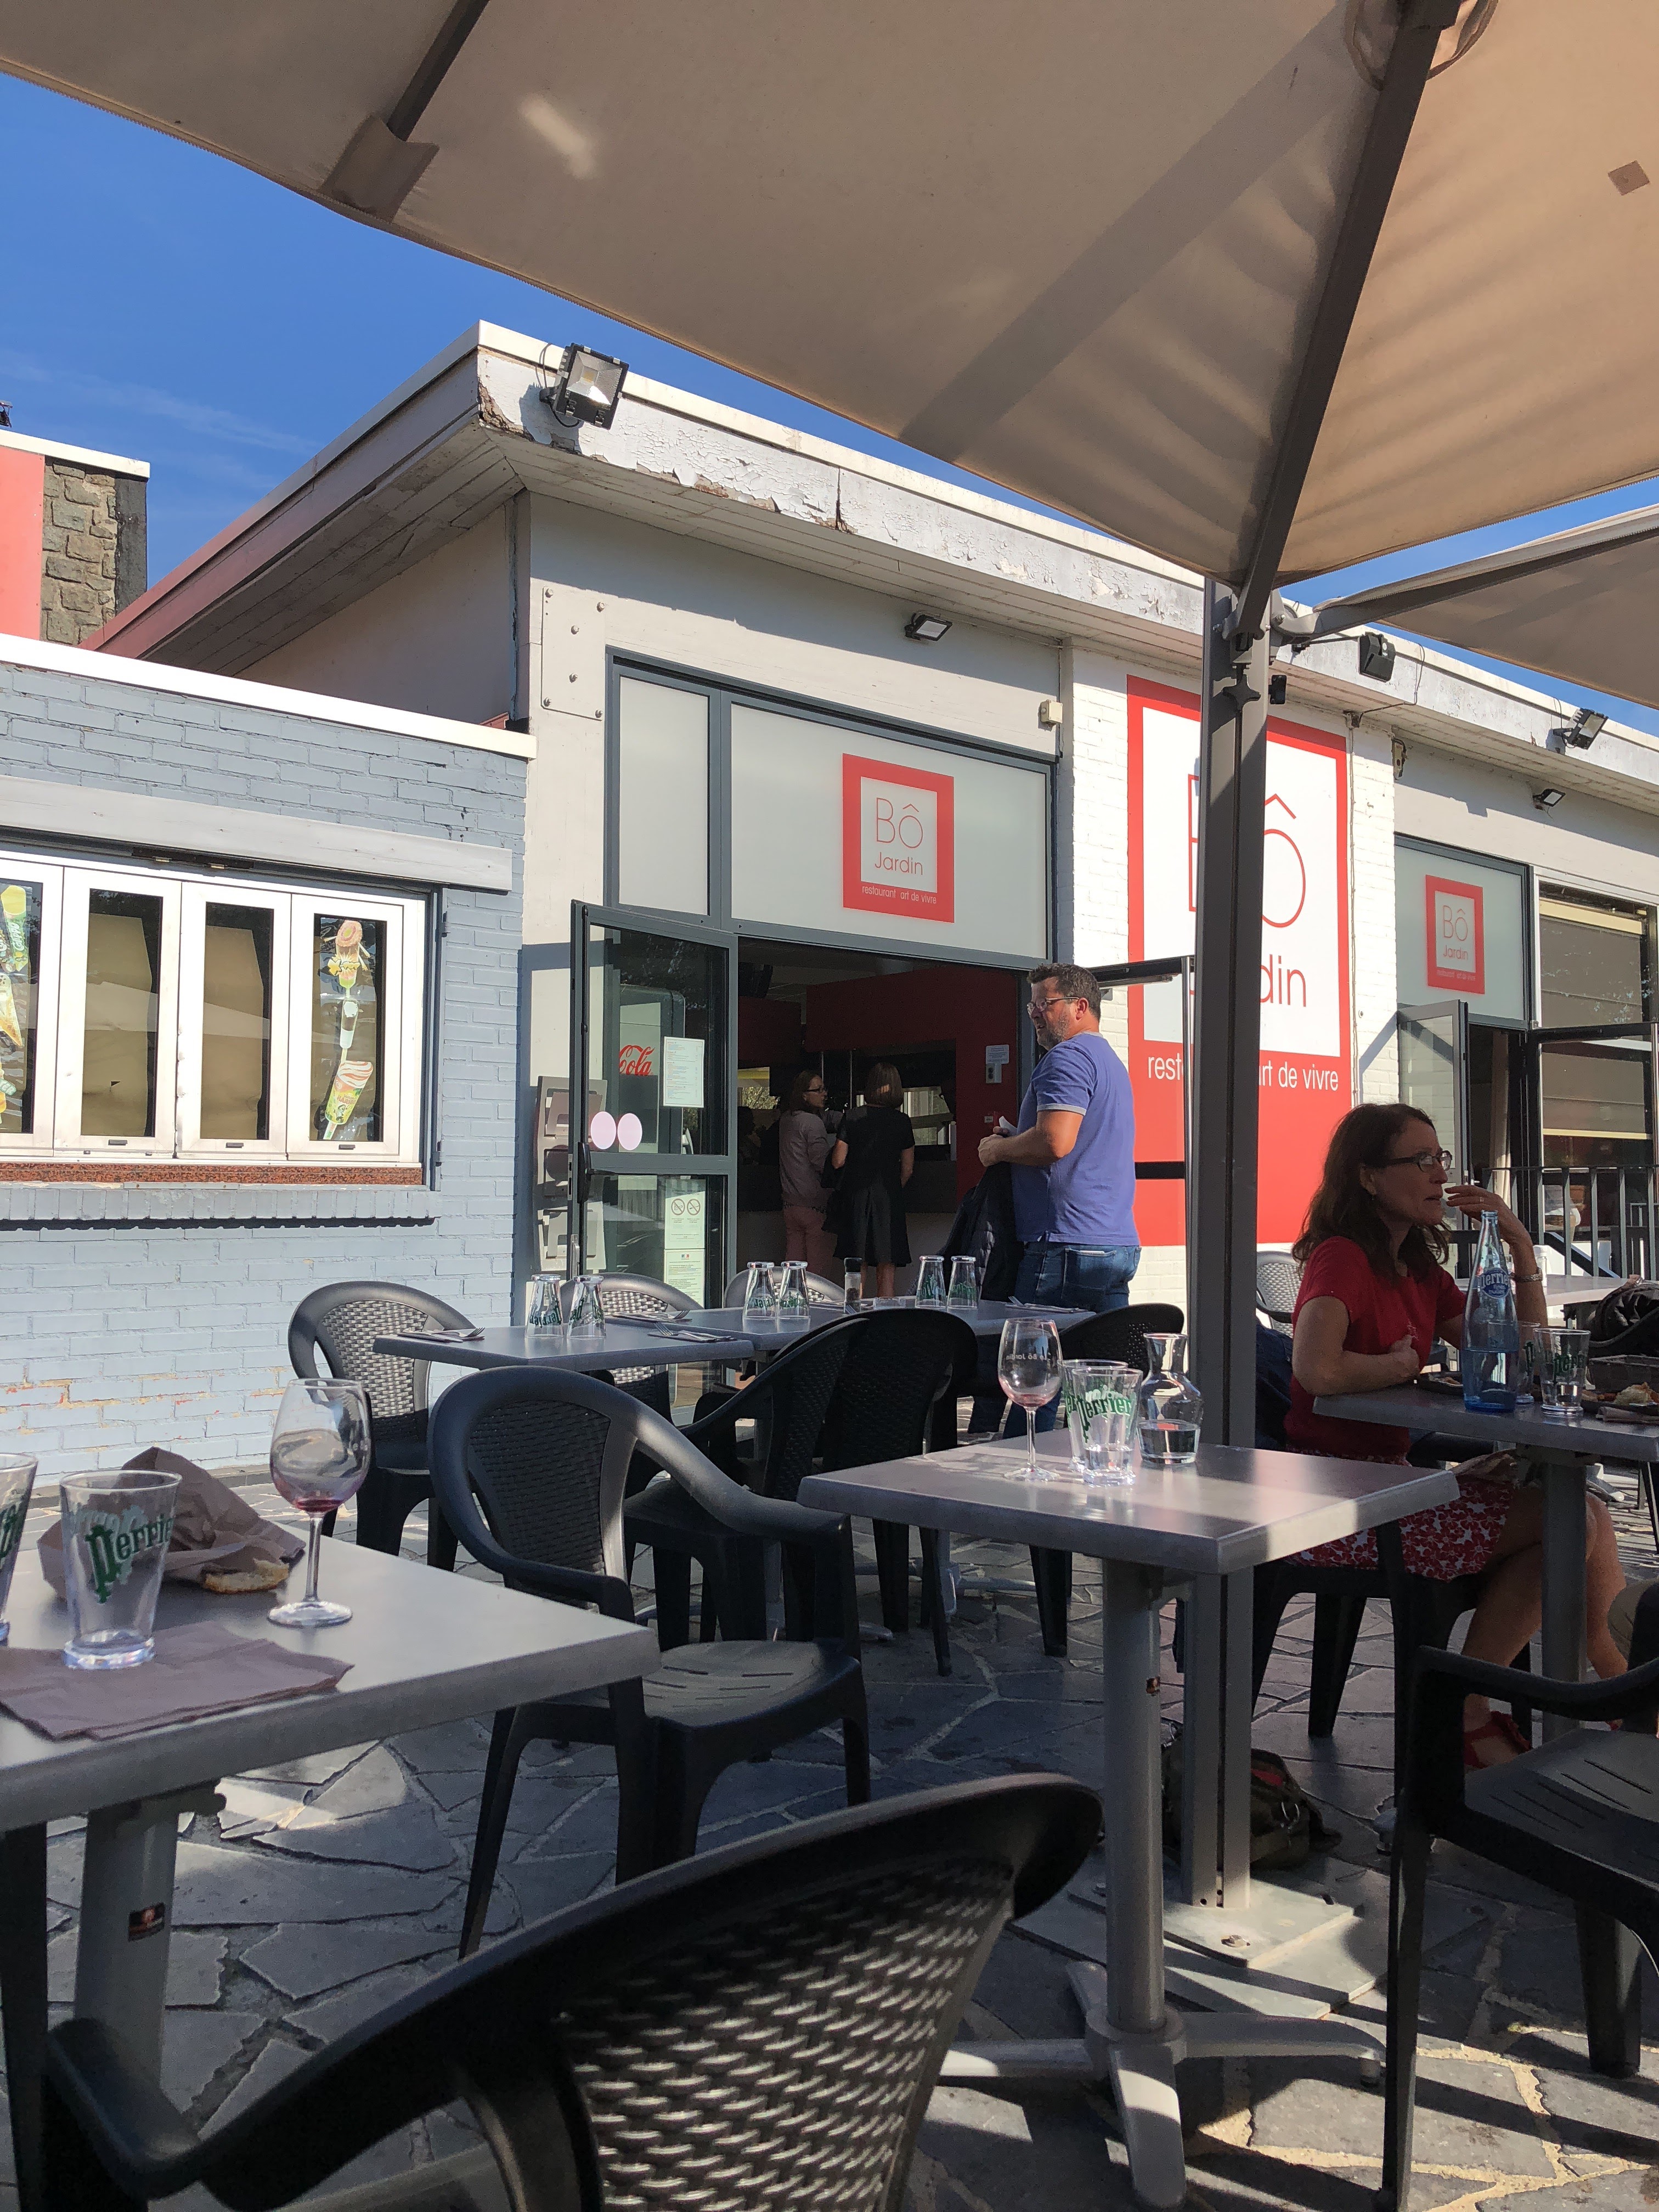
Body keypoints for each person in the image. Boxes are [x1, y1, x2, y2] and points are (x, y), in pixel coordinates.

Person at [1287, 1101, 1624, 1768]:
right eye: (1420, 1160)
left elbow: (1525, 1357)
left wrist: (1519, 1245)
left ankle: (1618, 1694)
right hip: (1335, 1502)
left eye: (1439, 1157)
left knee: (1581, 1519)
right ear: (1368, 1177)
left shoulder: (1417, 1271)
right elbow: (1316, 1368)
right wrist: (1400, 1366)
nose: (1440, 1174)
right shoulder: (1342, 1257)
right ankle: (1468, 1706)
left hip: (1394, 1485)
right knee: (1573, 1521)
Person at [977, 962, 1139, 1313]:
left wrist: (998, 1150)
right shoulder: (1109, 1062)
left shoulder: (1067, 1057)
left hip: (1066, 1244)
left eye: (1045, 1003)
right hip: (1116, 1243)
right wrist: (1021, 1139)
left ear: (1080, 1006)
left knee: (1031, 1347)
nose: (1035, 1014)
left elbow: (1054, 1142)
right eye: (1032, 1005)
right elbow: (1078, 1143)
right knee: (1101, 1349)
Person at [830, 1061, 915, 1300]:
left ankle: (853, 1312)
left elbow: (838, 1160)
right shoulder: (902, 1121)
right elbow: (908, 1168)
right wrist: (893, 1188)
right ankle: (885, 1316)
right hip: (889, 1199)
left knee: (856, 1267)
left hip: (856, 1198)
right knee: (887, 1268)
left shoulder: (852, 1117)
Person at [778, 1068, 836, 1277]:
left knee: (793, 1266)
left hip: (790, 1203)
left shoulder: (787, 1120)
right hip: (814, 1203)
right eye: (818, 1090)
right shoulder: (813, 1123)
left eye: (824, 1089)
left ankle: (791, 1296)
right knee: (816, 1271)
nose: (824, 1094)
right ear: (804, 1095)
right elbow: (822, 1162)